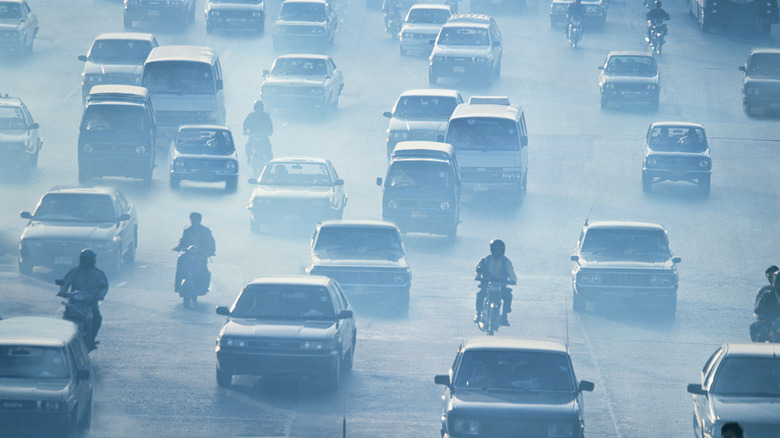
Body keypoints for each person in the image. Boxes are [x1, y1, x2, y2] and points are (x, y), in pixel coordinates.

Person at [58, 249, 108, 350]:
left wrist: (100, 295)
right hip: (74, 302)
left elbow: (104, 287)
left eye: (89, 259)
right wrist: (63, 291)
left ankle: (92, 339)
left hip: (90, 303)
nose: (87, 262)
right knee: (65, 319)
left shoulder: (98, 274)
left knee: (97, 318)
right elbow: (65, 282)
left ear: (93, 260)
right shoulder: (74, 272)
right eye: (85, 259)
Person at [474, 239, 517, 326]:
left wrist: (513, 280)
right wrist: (478, 276)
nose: (498, 252)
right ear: (492, 250)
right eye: (496, 249)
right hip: (486, 284)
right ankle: (478, 314)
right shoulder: (485, 260)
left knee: (508, 296)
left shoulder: (507, 262)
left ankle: (504, 317)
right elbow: (478, 269)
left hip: (501, 286)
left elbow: (511, 272)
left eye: (499, 250)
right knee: (480, 294)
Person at [174, 212, 216, 292]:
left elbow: (211, 242)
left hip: (201, 253)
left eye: (197, 220)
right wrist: (178, 247)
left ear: (200, 220)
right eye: (193, 220)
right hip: (188, 253)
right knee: (180, 261)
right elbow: (182, 240)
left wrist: (211, 251)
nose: (195, 222)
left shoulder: (206, 231)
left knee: (203, 268)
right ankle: (177, 286)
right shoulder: (187, 230)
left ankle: (203, 287)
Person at [243, 100, 273, 176]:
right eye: (257, 108)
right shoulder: (251, 116)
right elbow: (245, 124)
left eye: (260, 108)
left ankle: (269, 158)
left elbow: (270, 125)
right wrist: (245, 130)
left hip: (263, 135)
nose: (258, 109)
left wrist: (270, 131)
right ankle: (249, 158)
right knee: (248, 146)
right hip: (253, 135)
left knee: (268, 146)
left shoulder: (266, 116)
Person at [750, 265, 780, 341]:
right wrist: (768, 321)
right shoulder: (767, 295)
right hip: (770, 326)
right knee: (758, 331)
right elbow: (759, 310)